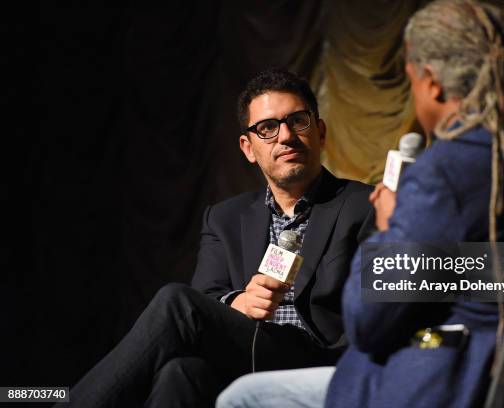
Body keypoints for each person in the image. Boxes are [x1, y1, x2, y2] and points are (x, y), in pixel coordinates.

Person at [215, 1, 504, 407]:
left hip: (453, 381)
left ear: (430, 82)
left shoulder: (443, 170)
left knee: (242, 398)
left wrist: (388, 227)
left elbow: (367, 324)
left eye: (411, 81)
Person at [59, 69, 373, 408]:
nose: (285, 136)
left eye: (297, 121)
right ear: (248, 148)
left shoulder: (367, 206)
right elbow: (209, 297)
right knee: (180, 372)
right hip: (248, 354)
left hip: (320, 360)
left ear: (320, 131)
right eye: (267, 128)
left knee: (176, 303)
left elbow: (381, 312)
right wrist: (235, 302)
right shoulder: (224, 217)